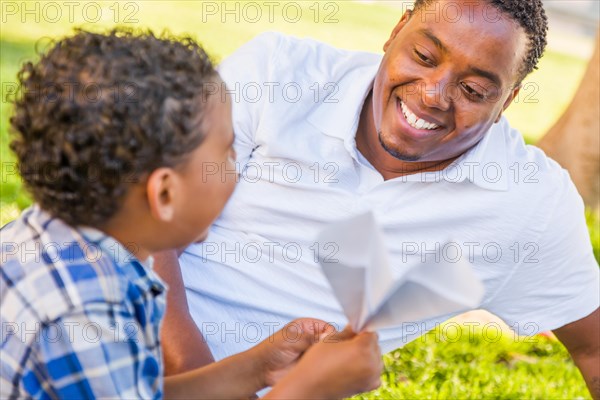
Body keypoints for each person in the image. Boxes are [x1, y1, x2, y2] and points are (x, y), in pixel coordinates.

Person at [156, 0, 600, 397]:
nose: (433, 94)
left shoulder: (528, 202)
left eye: (474, 91)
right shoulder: (278, 73)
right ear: (397, 30)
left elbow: (594, 350)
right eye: (424, 57)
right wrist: (201, 378)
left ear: (507, 101)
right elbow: (146, 225)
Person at [0, 29, 383, 399]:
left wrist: (258, 368)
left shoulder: (57, 241)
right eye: (227, 153)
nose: (237, 167)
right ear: (165, 193)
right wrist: (309, 388)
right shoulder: (85, 314)